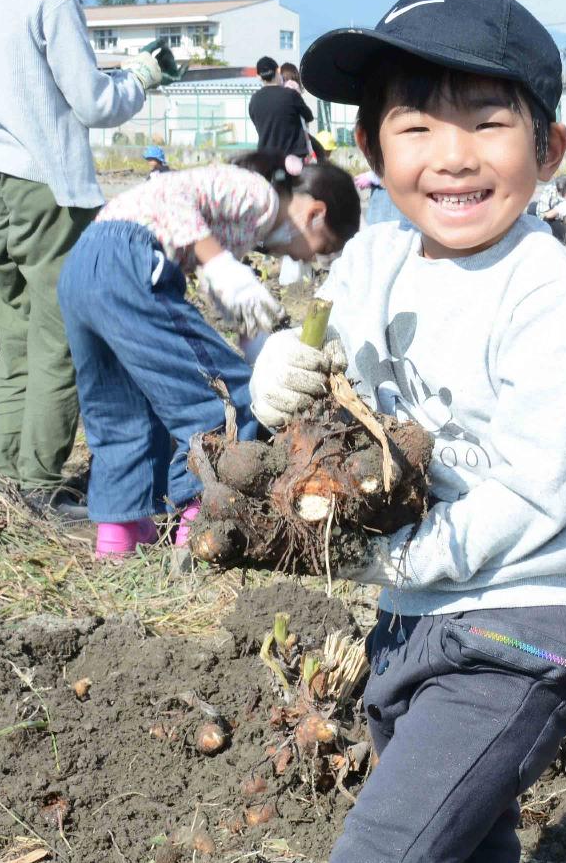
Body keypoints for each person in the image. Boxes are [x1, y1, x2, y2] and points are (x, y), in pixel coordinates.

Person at [129, 0, 566, 863]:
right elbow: (316, 380)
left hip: (513, 627)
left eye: (485, 121)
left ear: (547, 149)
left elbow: (541, 496)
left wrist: (385, 552)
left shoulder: (550, 294)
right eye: (414, 122)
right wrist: (277, 392)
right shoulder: (375, 267)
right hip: (413, 619)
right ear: (369, 147)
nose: (449, 154)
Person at [0, 0, 161, 521]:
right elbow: (95, 103)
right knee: (62, 345)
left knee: (13, 343)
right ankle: (41, 488)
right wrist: (146, 79)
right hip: (48, 188)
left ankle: (5, 480)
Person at [56, 151, 357, 558]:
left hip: (84, 264)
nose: (305, 259)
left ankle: (120, 539)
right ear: (316, 215)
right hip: (128, 259)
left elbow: (209, 280)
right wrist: (220, 265)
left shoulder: (246, 227)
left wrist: (250, 335)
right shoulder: (261, 196)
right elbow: (166, 196)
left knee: (122, 411)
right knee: (222, 400)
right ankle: (201, 528)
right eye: (322, 248)